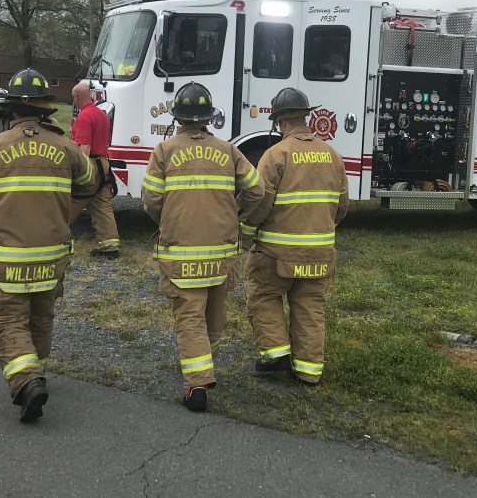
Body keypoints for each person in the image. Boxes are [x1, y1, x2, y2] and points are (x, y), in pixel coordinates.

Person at [0, 68, 97, 422]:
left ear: (12, 110)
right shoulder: (66, 148)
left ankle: (27, 379)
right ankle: (37, 370)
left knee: (7, 319)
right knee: (41, 315)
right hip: (52, 257)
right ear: (44, 110)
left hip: (6, 256)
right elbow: (88, 184)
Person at [141, 82, 264, 412]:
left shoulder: (164, 151)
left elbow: (151, 200)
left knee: (189, 316)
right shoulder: (228, 150)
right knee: (214, 315)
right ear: (208, 117)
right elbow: (257, 190)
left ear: (178, 118)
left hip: (181, 252)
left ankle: (197, 384)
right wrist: (233, 215)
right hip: (222, 251)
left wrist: (169, 219)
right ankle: (205, 362)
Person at [242, 87, 349, 385]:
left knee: (263, 295)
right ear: (306, 117)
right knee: (310, 306)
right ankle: (308, 372)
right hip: (320, 255)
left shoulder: (275, 154)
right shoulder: (333, 155)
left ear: (280, 121)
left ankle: (276, 354)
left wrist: (247, 232)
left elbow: (259, 203)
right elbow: (341, 207)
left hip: (276, 255)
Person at [68, 82, 120, 258]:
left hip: (90, 165)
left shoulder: (83, 117)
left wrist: (77, 171)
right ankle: (110, 245)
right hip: (104, 162)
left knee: (72, 200)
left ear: (76, 97)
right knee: (101, 204)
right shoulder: (101, 114)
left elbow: (85, 148)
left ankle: (53, 237)